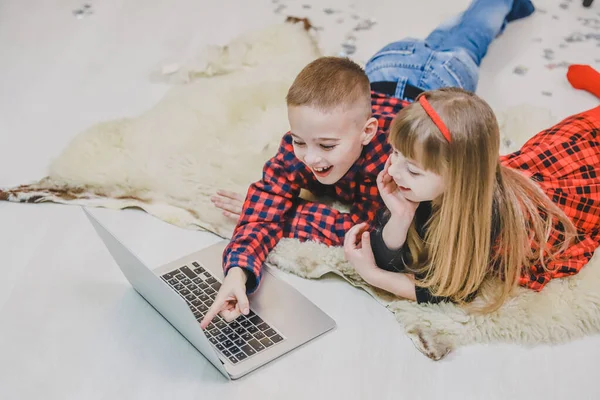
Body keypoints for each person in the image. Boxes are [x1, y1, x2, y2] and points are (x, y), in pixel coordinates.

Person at [200, 0, 536, 328]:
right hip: (388, 64)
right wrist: (237, 273)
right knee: (446, 35)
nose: (310, 156)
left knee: (473, 33)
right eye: (299, 140)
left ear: (368, 131)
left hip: (439, 85)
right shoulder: (303, 144)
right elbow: (270, 199)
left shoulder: (396, 168)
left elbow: (364, 234)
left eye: (327, 145)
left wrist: (282, 212)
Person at [344, 88, 600, 310]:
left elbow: (447, 291)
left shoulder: (483, 219)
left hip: (585, 172)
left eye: (412, 169)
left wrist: (373, 276)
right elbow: (390, 255)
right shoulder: (416, 186)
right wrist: (400, 217)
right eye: (395, 153)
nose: (392, 170)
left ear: (459, 177)